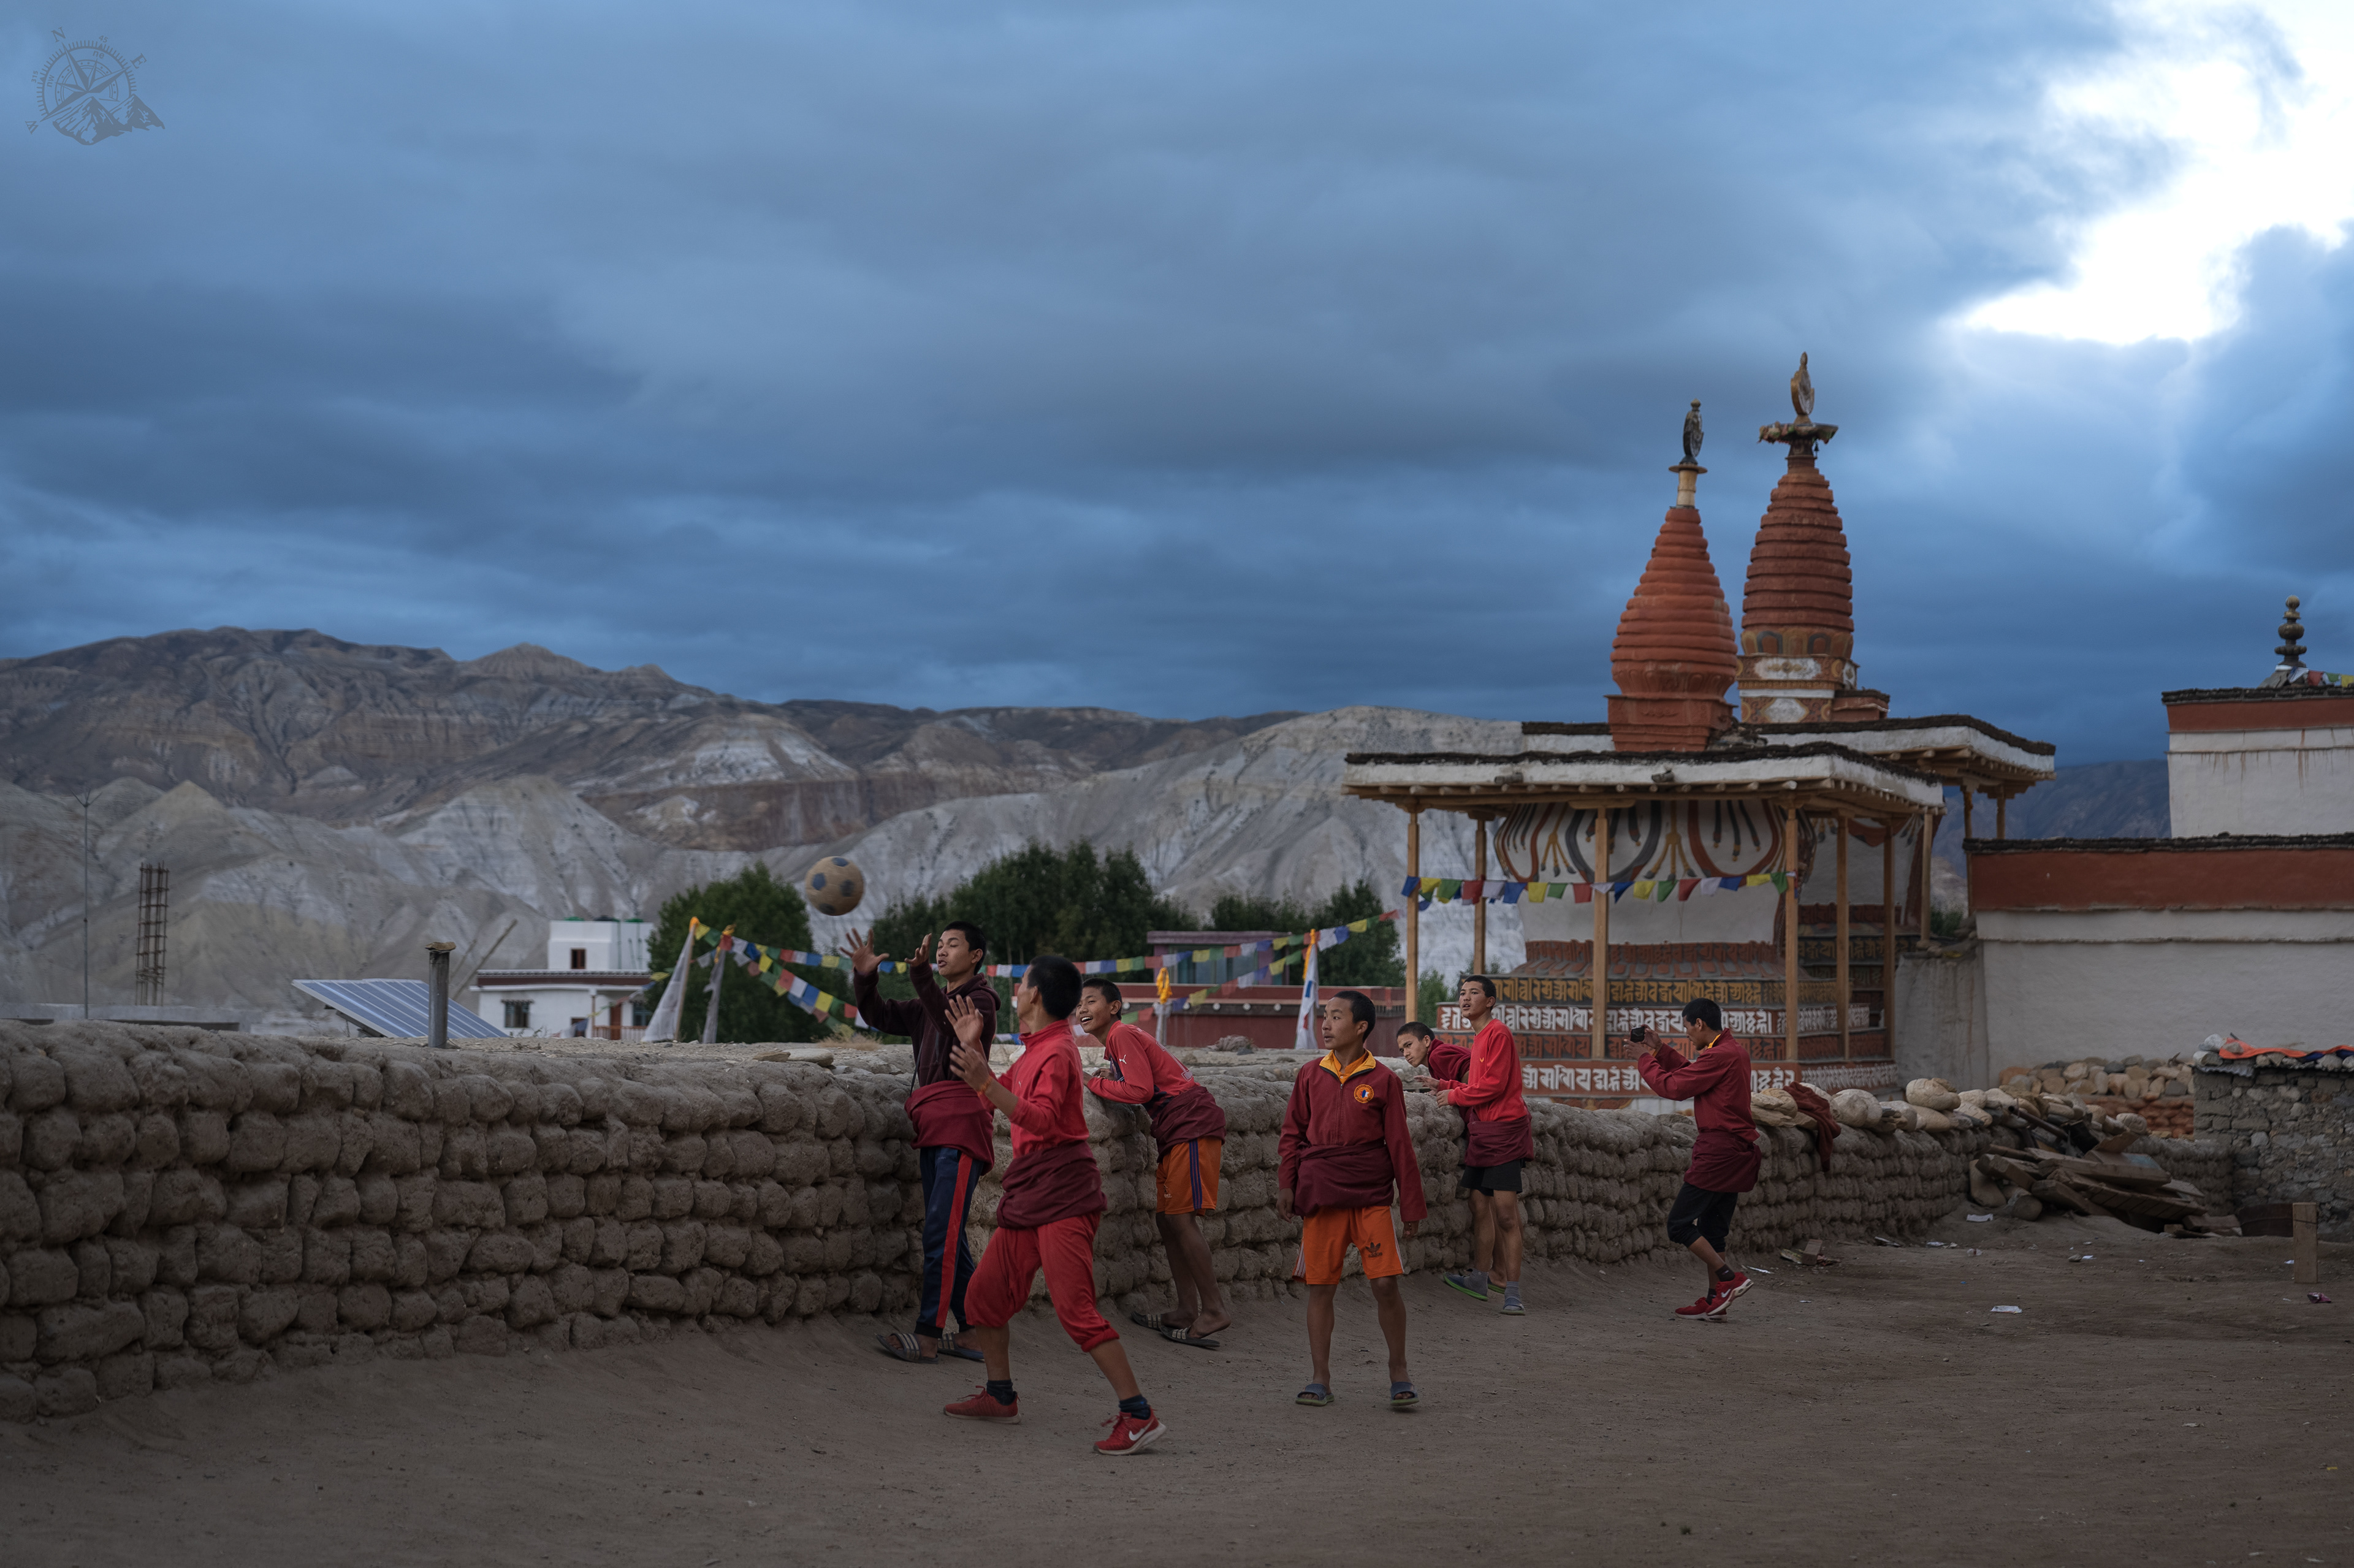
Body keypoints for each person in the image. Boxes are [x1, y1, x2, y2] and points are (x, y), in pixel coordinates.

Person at [941, 956, 1165, 1455]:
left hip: (1063, 1193)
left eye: (1020, 985)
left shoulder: (1060, 1052)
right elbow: (997, 1096)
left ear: (1036, 995)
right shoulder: (1039, 1048)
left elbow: (1039, 1119)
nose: (1016, 992)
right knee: (984, 1298)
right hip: (1031, 1191)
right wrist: (973, 1047)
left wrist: (983, 1080)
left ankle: (1139, 1414)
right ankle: (1000, 1397)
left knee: (1077, 1311)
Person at [844, 921, 997, 1364]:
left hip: (960, 1125)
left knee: (941, 1234)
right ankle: (970, 1332)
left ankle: (928, 1336)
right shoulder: (929, 1003)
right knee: (949, 1235)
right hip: (933, 1125)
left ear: (976, 958)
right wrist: (865, 977)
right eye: (941, 945)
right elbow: (879, 1016)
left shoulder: (980, 1001)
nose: (944, 951)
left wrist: (922, 976)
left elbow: (950, 1026)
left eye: (954, 946)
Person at [1279, 989, 1426, 1410]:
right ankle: (1319, 1377)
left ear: (1360, 1027)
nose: (1326, 1024)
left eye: (1336, 1017)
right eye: (1325, 1016)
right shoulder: (1309, 1075)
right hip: (1321, 1194)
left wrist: (1412, 1205)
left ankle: (1399, 1370)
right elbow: (1292, 1134)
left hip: (1370, 1195)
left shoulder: (1383, 1080)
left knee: (1384, 1284)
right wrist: (1286, 1183)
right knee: (1320, 1288)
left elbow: (1400, 1145)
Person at [1074, 975, 1233, 1348]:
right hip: (1176, 1129)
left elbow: (1140, 1091)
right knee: (1166, 1218)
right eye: (1078, 1003)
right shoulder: (1116, 1045)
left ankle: (1214, 1310)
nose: (1082, 1009)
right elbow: (1143, 1079)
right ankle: (1185, 1308)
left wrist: (1087, 1082)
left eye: (1091, 1001)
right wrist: (1109, 1075)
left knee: (1180, 1218)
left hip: (1191, 1123)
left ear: (1114, 1007)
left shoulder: (1121, 1034)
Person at [1631, 997, 1761, 1321]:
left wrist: (1645, 1061)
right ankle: (1715, 1300)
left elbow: (1674, 1087)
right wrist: (1660, 1051)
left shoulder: (1721, 1054)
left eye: (1688, 1027)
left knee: (1678, 1224)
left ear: (1699, 1023)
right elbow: (1694, 1074)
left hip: (1718, 1151)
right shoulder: (1732, 1052)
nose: (1687, 1034)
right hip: (1735, 1152)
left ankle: (1730, 1280)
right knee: (1714, 1230)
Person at [1425, 975, 1532, 1315]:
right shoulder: (1481, 1038)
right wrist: (1442, 1082)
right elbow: (1479, 1082)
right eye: (1461, 993)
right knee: (1477, 1203)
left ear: (1490, 1002)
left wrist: (1453, 1094)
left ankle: (1513, 1291)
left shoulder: (1498, 1033)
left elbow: (1496, 1086)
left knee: (1505, 1215)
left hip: (1502, 1131)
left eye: (1474, 993)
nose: (1465, 998)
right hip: (1484, 1132)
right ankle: (1479, 1278)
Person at [1395, 1019, 1469, 1085]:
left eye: (1409, 1045)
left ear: (1426, 1041)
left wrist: (1459, 1091)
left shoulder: (1437, 1055)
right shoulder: (1435, 1060)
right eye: (1402, 1050)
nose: (1406, 1054)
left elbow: (1473, 1069)